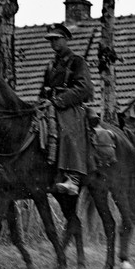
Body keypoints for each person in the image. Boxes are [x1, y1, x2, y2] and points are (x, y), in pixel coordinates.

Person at [38, 23, 94, 195]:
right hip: (51, 107)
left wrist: (58, 101)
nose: (53, 43)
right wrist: (40, 103)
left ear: (66, 39)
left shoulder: (77, 62)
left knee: (67, 131)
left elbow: (85, 89)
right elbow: (43, 90)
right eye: (51, 40)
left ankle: (73, 179)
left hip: (70, 107)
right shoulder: (50, 65)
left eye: (56, 39)